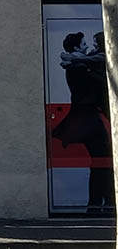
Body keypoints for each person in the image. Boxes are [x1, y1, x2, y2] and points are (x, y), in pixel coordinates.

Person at [53, 32, 114, 213]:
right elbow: (98, 84)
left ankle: (99, 204)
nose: (89, 47)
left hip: (87, 121)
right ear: (77, 47)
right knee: (102, 162)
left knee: (101, 162)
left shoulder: (78, 63)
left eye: (93, 43)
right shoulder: (79, 67)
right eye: (85, 43)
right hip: (87, 122)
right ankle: (100, 204)